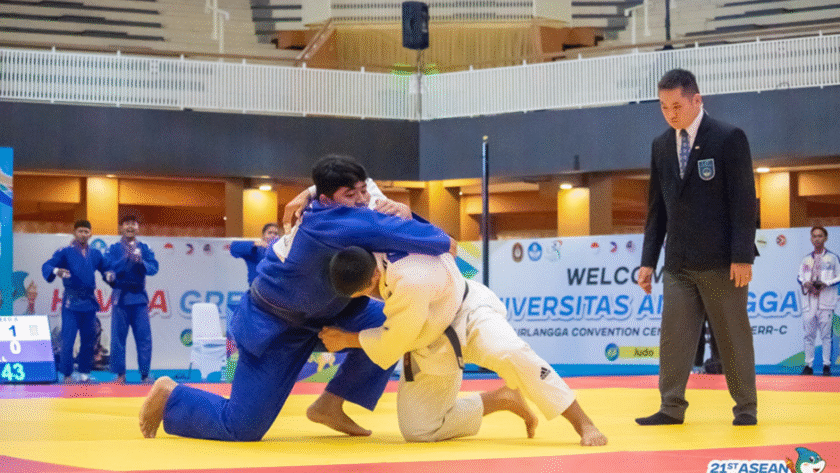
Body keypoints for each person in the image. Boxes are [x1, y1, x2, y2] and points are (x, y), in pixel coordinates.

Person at [138, 154, 453, 441]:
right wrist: (406, 216)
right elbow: (444, 242)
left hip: (334, 312)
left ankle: (330, 404)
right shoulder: (350, 222)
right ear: (328, 199)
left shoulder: (327, 205)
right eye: (350, 195)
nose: (361, 200)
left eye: (361, 191)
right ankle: (171, 394)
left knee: (394, 325)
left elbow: (356, 184)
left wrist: (310, 191)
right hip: (276, 326)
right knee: (241, 427)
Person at [321, 247, 608, 445]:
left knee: (511, 352)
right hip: (429, 338)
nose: (369, 296)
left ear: (373, 275)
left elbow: (398, 339)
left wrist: (346, 339)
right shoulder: (376, 245)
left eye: (364, 292)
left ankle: (583, 423)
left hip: (467, 312)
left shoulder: (409, 281)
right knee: (420, 430)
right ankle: (503, 399)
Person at [636, 69, 758, 426]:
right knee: (673, 338)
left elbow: (744, 201)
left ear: (696, 100)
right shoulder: (661, 145)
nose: (670, 114)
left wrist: (742, 255)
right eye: (663, 107)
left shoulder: (728, 137)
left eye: (676, 106)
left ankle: (746, 408)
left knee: (732, 336)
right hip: (678, 262)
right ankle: (670, 407)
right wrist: (647, 262)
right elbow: (656, 209)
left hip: (722, 260)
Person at [41, 220, 110, 384]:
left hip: (89, 302)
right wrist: (56, 270)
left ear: (91, 234)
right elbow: (47, 265)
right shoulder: (65, 252)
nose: (83, 234)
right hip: (71, 302)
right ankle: (67, 375)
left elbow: (106, 268)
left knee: (89, 339)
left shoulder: (96, 254)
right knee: (68, 339)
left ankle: (85, 373)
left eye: (86, 231)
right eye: (80, 231)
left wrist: (109, 275)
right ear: (74, 233)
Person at [106, 215, 159, 384]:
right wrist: (127, 259)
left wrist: (141, 262)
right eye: (126, 224)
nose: (130, 227)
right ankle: (120, 375)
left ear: (137, 227)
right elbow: (107, 267)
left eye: (133, 224)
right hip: (120, 297)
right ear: (121, 227)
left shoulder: (144, 247)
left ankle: (145, 375)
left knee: (144, 338)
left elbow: (154, 268)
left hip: (139, 299)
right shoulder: (114, 248)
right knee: (118, 338)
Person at [797, 226, 837, 377]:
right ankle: (808, 366)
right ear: (811, 239)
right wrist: (805, 282)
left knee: (826, 336)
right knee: (808, 335)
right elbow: (799, 276)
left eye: (820, 236)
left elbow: (839, 276)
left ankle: (826, 366)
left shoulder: (833, 258)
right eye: (814, 236)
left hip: (826, 302)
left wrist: (827, 283)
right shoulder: (806, 259)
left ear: (825, 238)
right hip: (809, 302)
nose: (817, 239)